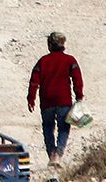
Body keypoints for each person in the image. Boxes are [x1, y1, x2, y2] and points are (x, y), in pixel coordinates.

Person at [27, 32, 85, 165]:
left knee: (48, 128)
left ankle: (51, 154)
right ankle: (58, 154)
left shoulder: (42, 61)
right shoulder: (70, 60)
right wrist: (79, 96)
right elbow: (77, 79)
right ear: (63, 45)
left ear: (49, 45)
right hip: (63, 100)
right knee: (64, 127)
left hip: (46, 101)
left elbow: (34, 81)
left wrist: (31, 99)